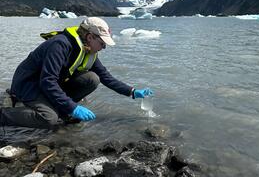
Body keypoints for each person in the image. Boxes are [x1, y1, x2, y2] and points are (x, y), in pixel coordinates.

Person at [0, 17, 153, 129]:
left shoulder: (89, 51)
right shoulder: (60, 45)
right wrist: (73, 107)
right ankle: (4, 115)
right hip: (28, 84)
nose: (103, 48)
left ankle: (61, 109)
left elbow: (106, 77)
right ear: (90, 36)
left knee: (92, 78)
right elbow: (47, 81)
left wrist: (132, 92)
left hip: (46, 85)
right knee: (49, 119)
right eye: (102, 43)